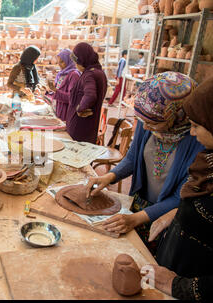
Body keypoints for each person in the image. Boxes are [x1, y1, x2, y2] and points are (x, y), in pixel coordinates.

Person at [86, 72, 204, 255]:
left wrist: (135, 219)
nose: (146, 127)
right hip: (140, 204)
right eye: (143, 122)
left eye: (152, 123)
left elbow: (180, 197)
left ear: (178, 115)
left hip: (168, 215)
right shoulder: (147, 119)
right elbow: (133, 157)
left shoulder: (199, 142)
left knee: (148, 261)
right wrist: (110, 176)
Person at [143, 75, 213, 300]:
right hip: (173, 267)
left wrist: (177, 286)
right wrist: (177, 212)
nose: (192, 132)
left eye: (197, 125)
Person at [66, 42, 108, 144]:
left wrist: (80, 109)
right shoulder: (99, 72)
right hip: (89, 127)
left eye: (77, 62)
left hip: (79, 127)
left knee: (75, 155)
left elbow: (90, 95)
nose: (76, 65)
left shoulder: (90, 74)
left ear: (83, 60)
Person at [43, 49, 81, 121]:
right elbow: (57, 93)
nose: (59, 64)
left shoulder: (74, 75)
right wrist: (48, 91)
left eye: (62, 62)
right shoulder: (61, 74)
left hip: (66, 112)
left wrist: (54, 90)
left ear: (69, 61)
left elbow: (71, 98)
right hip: (58, 109)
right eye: (58, 62)